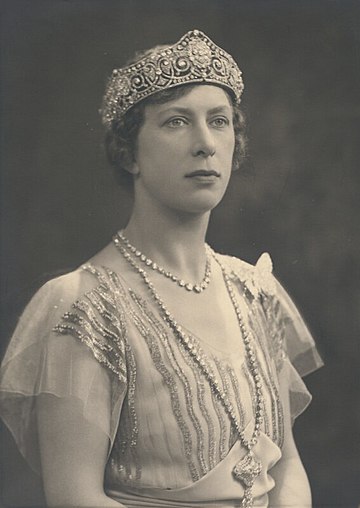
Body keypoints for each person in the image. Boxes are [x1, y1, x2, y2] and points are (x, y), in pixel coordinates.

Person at [0, 30, 324, 507]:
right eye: (176, 122)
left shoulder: (255, 291)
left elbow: (287, 464)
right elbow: (74, 499)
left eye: (219, 121)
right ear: (129, 154)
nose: (205, 144)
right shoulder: (83, 304)